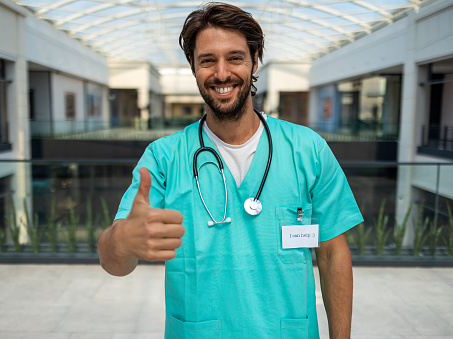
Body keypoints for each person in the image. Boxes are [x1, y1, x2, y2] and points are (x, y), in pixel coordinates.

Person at [98, 3, 363, 338]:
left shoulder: (306, 149)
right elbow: (114, 262)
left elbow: (332, 254)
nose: (221, 73)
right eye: (207, 60)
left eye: (235, 58)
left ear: (255, 60)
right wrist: (121, 240)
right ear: (193, 67)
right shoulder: (164, 159)